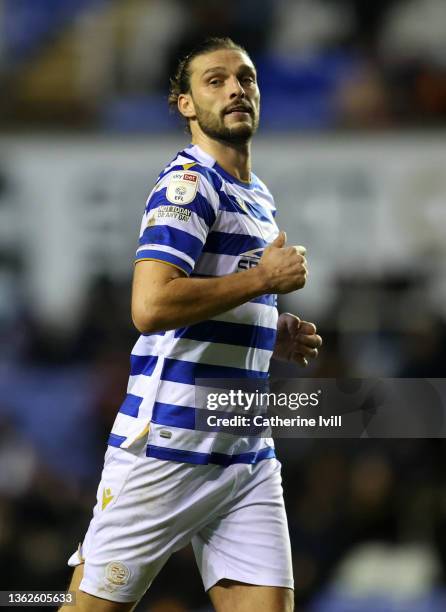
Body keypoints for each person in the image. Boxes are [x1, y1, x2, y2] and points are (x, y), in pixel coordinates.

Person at [61, 37, 322, 612]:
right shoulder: (188, 185)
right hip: (170, 446)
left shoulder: (256, 194)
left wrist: (266, 329)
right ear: (184, 105)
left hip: (244, 450)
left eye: (246, 78)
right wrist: (260, 284)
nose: (236, 89)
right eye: (216, 80)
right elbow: (150, 306)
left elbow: (211, 296)